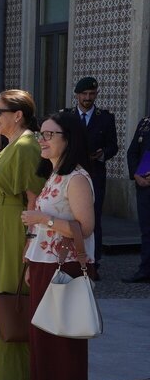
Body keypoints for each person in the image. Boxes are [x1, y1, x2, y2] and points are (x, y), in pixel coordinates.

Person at [20, 111, 95, 380]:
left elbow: (85, 227)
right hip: (42, 263)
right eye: (42, 134)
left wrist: (43, 219)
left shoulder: (77, 178)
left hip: (63, 267)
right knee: (41, 338)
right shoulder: (54, 175)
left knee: (63, 341)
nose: (43, 140)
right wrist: (29, 258)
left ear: (69, 140)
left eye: (50, 135)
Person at [0, 89, 45, 380]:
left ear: (17, 115)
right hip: (4, 229)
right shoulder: (12, 146)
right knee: (4, 302)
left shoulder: (26, 146)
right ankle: (7, 376)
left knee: (15, 302)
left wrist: (30, 245)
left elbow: (34, 198)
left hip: (17, 230)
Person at [64, 76, 117, 276]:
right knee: (69, 216)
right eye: (84, 94)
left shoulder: (105, 118)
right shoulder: (67, 117)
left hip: (95, 174)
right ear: (77, 95)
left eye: (92, 94)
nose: (88, 98)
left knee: (93, 218)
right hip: (70, 174)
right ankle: (70, 259)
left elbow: (114, 146)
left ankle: (93, 263)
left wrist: (102, 154)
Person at [123, 114, 150, 283]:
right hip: (145, 186)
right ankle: (145, 269)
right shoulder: (145, 123)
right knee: (147, 231)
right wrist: (136, 174)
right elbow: (133, 151)